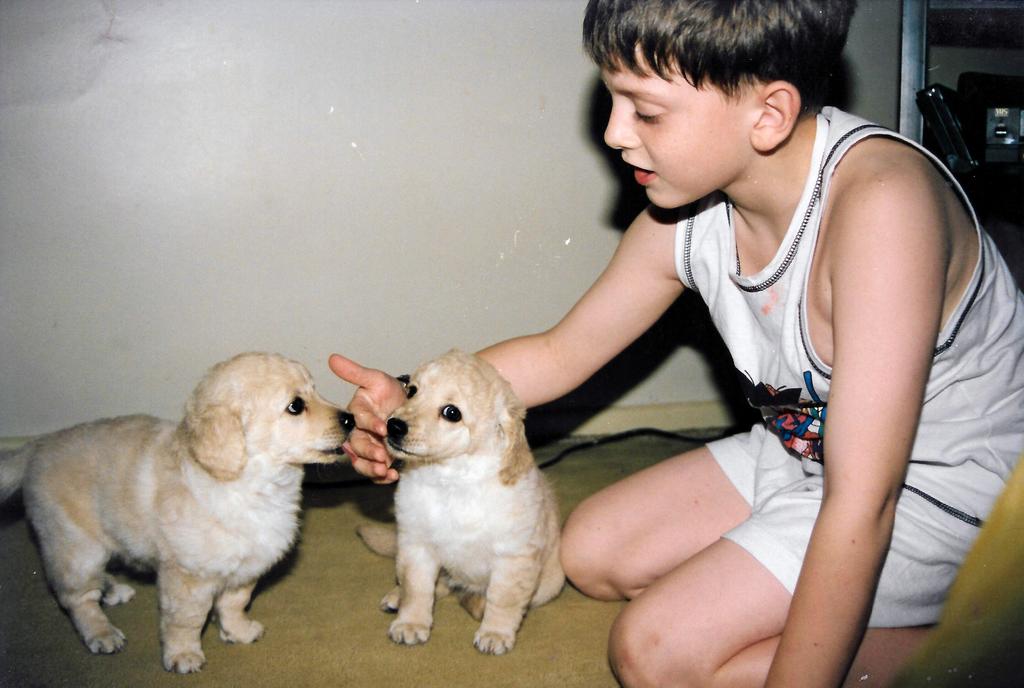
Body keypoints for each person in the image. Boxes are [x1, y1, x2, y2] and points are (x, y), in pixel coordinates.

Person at [329, 0, 1024, 685]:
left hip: (944, 496)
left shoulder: (885, 208)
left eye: (647, 111)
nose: (613, 133)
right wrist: (408, 397)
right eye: (612, 100)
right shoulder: (688, 217)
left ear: (769, 115)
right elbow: (560, 353)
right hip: (804, 452)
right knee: (589, 552)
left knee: (655, 654)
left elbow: (863, 503)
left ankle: (987, 647)